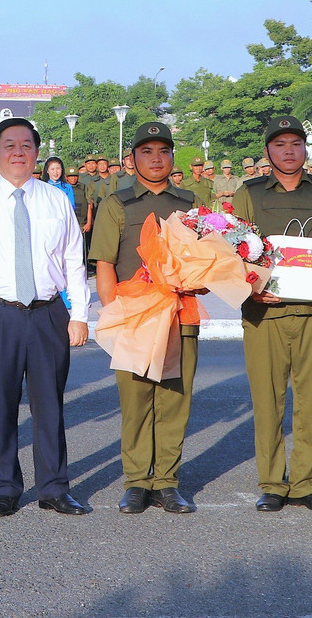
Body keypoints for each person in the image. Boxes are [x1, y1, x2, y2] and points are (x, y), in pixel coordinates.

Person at [0, 118, 91, 518]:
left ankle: (54, 487)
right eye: (9, 145)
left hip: (48, 314)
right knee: (0, 406)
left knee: (50, 404)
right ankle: (5, 487)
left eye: (26, 145)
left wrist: (79, 314)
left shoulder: (55, 200)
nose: (18, 152)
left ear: (36, 153)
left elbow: (72, 261)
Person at [233, 115, 312, 513]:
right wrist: (250, 291)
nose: (288, 151)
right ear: (268, 151)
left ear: (305, 149)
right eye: (280, 145)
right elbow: (231, 252)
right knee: (268, 401)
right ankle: (271, 483)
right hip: (266, 312)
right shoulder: (249, 193)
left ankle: (308, 484)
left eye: (296, 144)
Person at [88, 122, 203, 515]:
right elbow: (104, 262)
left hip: (180, 314)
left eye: (164, 151)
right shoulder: (116, 204)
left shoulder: (190, 204)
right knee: (136, 401)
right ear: (132, 159)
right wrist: (113, 314)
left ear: (173, 157)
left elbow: (206, 261)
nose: (157, 159)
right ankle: (137, 482)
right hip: (135, 316)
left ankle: (167, 482)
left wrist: (201, 280)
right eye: (147, 151)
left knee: (174, 401)